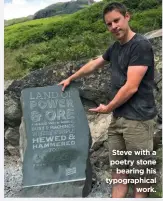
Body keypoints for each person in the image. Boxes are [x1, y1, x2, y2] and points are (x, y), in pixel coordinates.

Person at [58, 2, 157, 198]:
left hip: (138, 121)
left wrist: (108, 107)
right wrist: (71, 78)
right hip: (118, 120)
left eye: (116, 20)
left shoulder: (141, 45)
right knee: (118, 175)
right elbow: (94, 64)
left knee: (141, 179)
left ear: (127, 17)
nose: (114, 27)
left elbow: (131, 87)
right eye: (109, 24)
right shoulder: (115, 48)